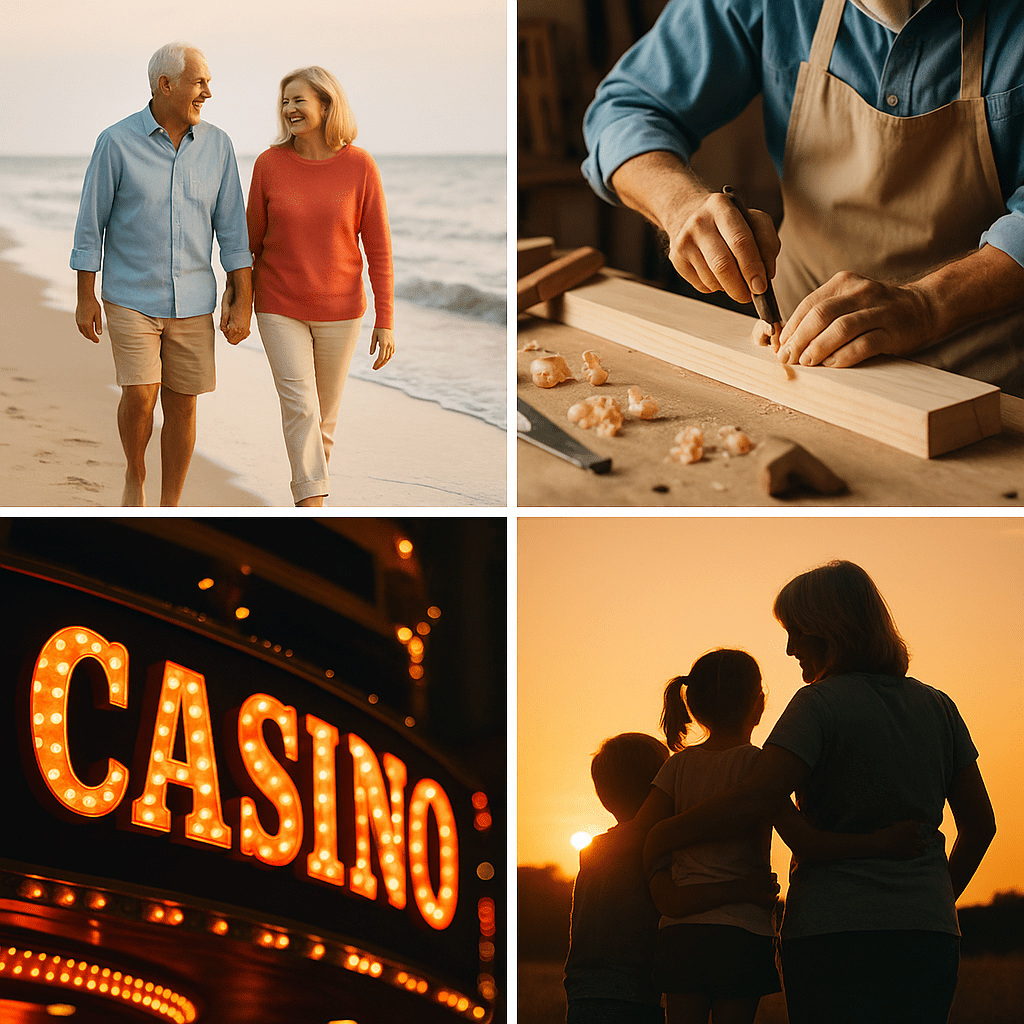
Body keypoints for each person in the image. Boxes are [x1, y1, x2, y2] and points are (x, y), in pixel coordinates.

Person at [582, 0, 1024, 395]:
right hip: (802, 357)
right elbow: (625, 109)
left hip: (982, 375)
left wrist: (928, 306)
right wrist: (679, 205)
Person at [642, 562, 997, 1024]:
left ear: (829, 630)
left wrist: (664, 831)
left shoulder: (818, 705)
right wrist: (932, 900)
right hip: (927, 933)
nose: (789, 650)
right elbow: (981, 825)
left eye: (796, 633)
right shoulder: (939, 706)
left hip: (833, 932)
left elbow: (756, 796)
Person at [642, 648, 918, 1024]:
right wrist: (881, 843)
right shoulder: (758, 767)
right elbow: (806, 842)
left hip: (681, 933)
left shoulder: (675, 767)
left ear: (691, 705)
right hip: (741, 932)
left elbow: (643, 832)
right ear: (759, 705)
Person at [71, 42, 253, 506]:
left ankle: (170, 502)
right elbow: (91, 222)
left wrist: (243, 299)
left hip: (194, 299)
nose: (208, 92)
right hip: (130, 294)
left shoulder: (219, 147)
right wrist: (85, 296)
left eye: (208, 82)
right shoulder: (115, 142)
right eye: (200, 82)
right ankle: (136, 473)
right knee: (141, 393)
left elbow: (234, 232)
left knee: (183, 403)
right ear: (165, 85)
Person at [241, 66, 395, 507]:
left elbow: (379, 249)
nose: (289, 108)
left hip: (342, 311)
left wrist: (386, 320)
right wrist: (238, 300)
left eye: (298, 100)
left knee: (323, 420)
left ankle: (313, 503)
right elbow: (249, 243)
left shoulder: (360, 165)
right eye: (285, 101)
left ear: (326, 105)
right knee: (302, 409)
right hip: (278, 305)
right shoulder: (269, 164)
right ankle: (309, 503)